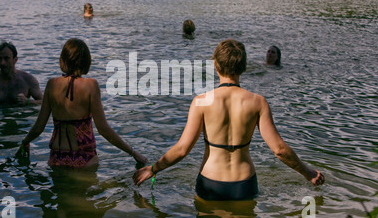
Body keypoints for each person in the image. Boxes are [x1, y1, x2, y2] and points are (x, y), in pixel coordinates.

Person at [133, 39, 324, 201]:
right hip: (245, 184)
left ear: (215, 65)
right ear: (244, 67)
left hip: (210, 183)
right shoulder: (258, 102)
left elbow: (182, 149)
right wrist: (309, 173)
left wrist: (153, 169)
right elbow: (280, 150)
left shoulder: (201, 102)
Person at [16, 38, 147, 169]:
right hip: (85, 158)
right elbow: (103, 129)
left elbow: (39, 127)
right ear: (86, 61)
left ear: (63, 60)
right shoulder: (91, 85)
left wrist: (25, 142)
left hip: (56, 158)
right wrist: (133, 153)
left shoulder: (52, 84)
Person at [0, 42, 43, 106]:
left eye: (6, 58)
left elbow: (43, 102)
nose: (2, 63)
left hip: (19, 116)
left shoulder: (28, 80)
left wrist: (28, 101)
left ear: (15, 60)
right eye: (0, 58)